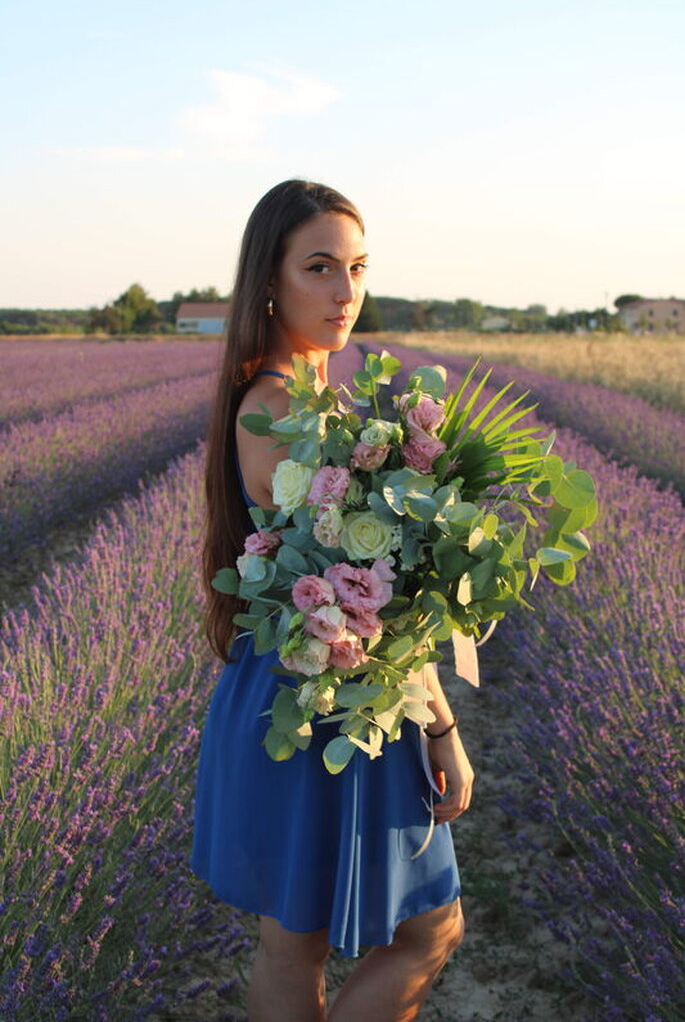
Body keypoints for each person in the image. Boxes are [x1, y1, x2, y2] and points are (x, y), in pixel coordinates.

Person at [190, 178, 475, 1022]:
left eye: (356, 268)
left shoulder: (310, 400)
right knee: (424, 932)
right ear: (270, 280)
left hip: (314, 691)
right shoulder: (279, 407)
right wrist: (442, 728)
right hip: (321, 699)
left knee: (298, 944)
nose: (346, 292)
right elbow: (363, 605)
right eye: (320, 267)